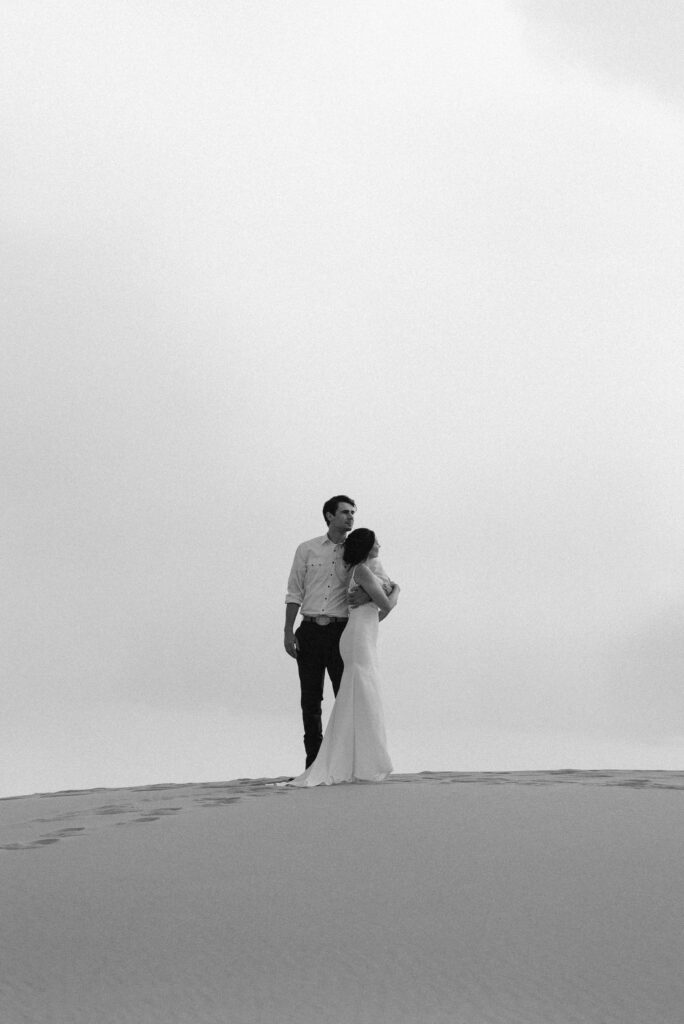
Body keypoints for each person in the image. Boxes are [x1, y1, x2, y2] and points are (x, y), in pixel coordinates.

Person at [291, 528, 400, 786]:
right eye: (376, 542)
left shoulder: (362, 571)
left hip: (361, 634)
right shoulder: (362, 570)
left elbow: (378, 611)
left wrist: (384, 595)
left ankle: (357, 759)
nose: (380, 545)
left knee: (359, 694)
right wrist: (398, 589)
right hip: (357, 638)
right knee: (361, 691)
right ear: (366, 546)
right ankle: (356, 760)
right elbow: (386, 605)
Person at [285, 496, 370, 768]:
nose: (351, 517)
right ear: (329, 515)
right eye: (345, 512)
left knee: (344, 696)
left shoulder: (356, 550)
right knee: (310, 700)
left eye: (353, 513)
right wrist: (288, 631)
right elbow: (294, 592)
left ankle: (346, 761)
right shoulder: (307, 549)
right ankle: (314, 763)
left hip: (340, 632)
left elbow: (380, 581)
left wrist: (375, 596)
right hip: (309, 630)